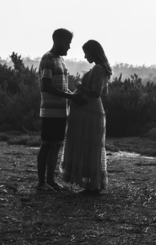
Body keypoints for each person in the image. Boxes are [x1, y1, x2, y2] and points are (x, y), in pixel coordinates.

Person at [61, 39, 111, 195]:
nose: (85, 57)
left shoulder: (98, 68)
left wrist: (81, 88)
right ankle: (92, 183)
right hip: (90, 110)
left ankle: (93, 184)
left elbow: (96, 92)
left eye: (86, 53)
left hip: (91, 110)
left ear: (93, 52)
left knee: (89, 145)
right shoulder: (101, 68)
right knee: (90, 145)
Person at [37, 28, 80, 191]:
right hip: (50, 112)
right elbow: (46, 86)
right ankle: (41, 183)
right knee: (46, 146)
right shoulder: (47, 59)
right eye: (68, 43)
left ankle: (51, 181)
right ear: (59, 41)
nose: (69, 47)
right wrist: (71, 97)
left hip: (62, 112)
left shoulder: (61, 60)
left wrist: (73, 95)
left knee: (56, 146)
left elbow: (61, 87)